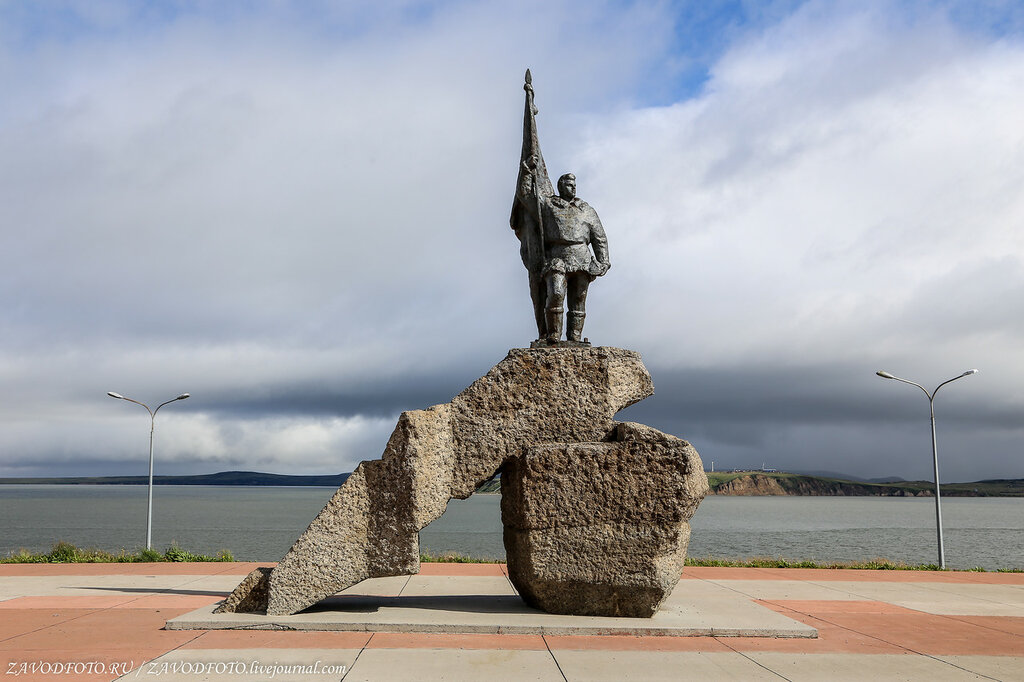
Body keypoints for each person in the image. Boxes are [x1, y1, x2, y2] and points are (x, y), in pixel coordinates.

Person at [516, 159, 610, 344]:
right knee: (556, 293)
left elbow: (599, 237)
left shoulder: (587, 210)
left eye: (574, 185)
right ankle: (553, 336)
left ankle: (575, 337)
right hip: (557, 257)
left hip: (582, 258)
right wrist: (527, 171)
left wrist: (603, 260)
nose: (573, 188)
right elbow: (525, 196)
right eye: (568, 185)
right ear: (560, 186)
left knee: (579, 298)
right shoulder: (548, 205)